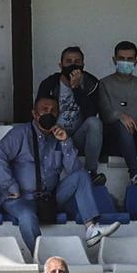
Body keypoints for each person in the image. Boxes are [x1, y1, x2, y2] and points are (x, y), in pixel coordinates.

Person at [0, 96, 120, 254]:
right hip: (20, 198)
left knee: (81, 175)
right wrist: (10, 185)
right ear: (34, 114)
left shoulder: (59, 136)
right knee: (26, 216)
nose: (49, 113)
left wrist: (66, 142)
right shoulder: (20, 133)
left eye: (53, 111)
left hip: (48, 198)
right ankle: (40, 256)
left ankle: (91, 229)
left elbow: (74, 170)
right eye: (44, 110)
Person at [36, 45, 105, 179]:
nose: (73, 65)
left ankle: (91, 172)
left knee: (95, 123)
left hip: (79, 137)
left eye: (77, 62)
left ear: (83, 65)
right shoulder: (49, 84)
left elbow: (92, 113)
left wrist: (76, 88)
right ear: (60, 65)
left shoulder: (91, 82)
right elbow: (40, 113)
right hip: (54, 135)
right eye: (68, 61)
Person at [98, 40, 137, 179]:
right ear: (114, 60)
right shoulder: (104, 84)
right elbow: (104, 113)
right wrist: (120, 115)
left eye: (129, 59)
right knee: (122, 125)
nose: (125, 62)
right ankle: (136, 172)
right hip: (115, 139)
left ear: (136, 61)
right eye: (121, 59)